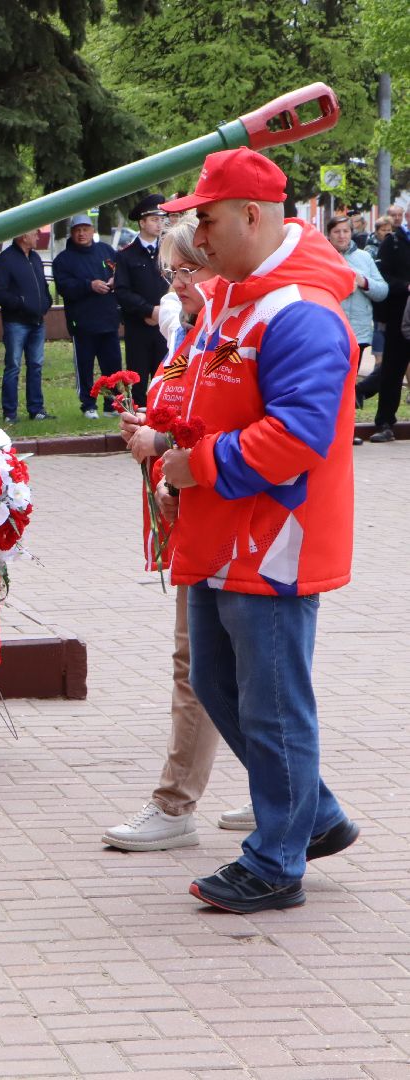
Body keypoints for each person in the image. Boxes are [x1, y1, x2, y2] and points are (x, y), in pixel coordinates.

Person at [154, 148, 359, 913]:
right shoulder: (236, 298)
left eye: (206, 220)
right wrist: (172, 446)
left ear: (251, 215)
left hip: (272, 542)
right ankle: (315, 815)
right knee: (219, 685)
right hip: (226, 531)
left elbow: (299, 435)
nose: (198, 237)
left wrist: (196, 465)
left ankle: (276, 860)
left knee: (271, 703)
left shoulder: (298, 309)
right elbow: (198, 388)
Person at [105, 213, 254, 852]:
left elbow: (230, 429)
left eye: (187, 269)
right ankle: (283, 791)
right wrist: (152, 431)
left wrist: (164, 448)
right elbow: (193, 418)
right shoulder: (201, 332)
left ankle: (176, 804)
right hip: (198, 512)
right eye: (171, 272)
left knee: (206, 666)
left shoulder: (231, 337)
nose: (177, 284)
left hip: (228, 520)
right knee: (233, 666)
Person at [325, 214, 388, 446]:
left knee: (349, 384)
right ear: (329, 234)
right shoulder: (321, 257)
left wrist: (363, 282)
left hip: (358, 333)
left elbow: (382, 291)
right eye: (337, 232)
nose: (342, 236)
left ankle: (347, 431)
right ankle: (328, 432)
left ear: (352, 233)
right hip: (329, 330)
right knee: (331, 382)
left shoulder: (364, 257)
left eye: (346, 231)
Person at [52, 212, 122, 418]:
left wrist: (115, 280)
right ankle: (88, 405)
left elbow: (119, 270)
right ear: (71, 233)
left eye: (85, 229)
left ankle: (111, 404)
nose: (81, 234)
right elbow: (64, 287)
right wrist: (89, 285)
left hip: (108, 320)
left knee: (112, 366)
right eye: (77, 230)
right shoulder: (64, 260)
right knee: (85, 367)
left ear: (93, 231)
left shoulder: (106, 251)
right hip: (82, 323)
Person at [0, 229, 53, 422]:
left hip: (37, 322)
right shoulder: (5, 260)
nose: (38, 237)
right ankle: (10, 413)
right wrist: (20, 303)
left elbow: (42, 285)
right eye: (35, 233)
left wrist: (46, 301)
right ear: (24, 236)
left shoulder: (35, 258)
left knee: (36, 365)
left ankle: (36, 409)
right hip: (16, 323)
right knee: (13, 366)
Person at [358, 206, 410, 441]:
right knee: (392, 370)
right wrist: (405, 286)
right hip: (400, 318)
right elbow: (383, 277)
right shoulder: (394, 242)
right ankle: (385, 423)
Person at [113, 194, 171, 403]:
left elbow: (175, 284)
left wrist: (162, 312)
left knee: (164, 380)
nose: (159, 224)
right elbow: (122, 291)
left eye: (161, 219)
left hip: (165, 326)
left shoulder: (167, 252)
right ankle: (138, 419)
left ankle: (162, 418)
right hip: (138, 327)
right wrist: (148, 310)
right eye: (154, 219)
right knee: (137, 382)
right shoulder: (126, 255)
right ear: (142, 222)